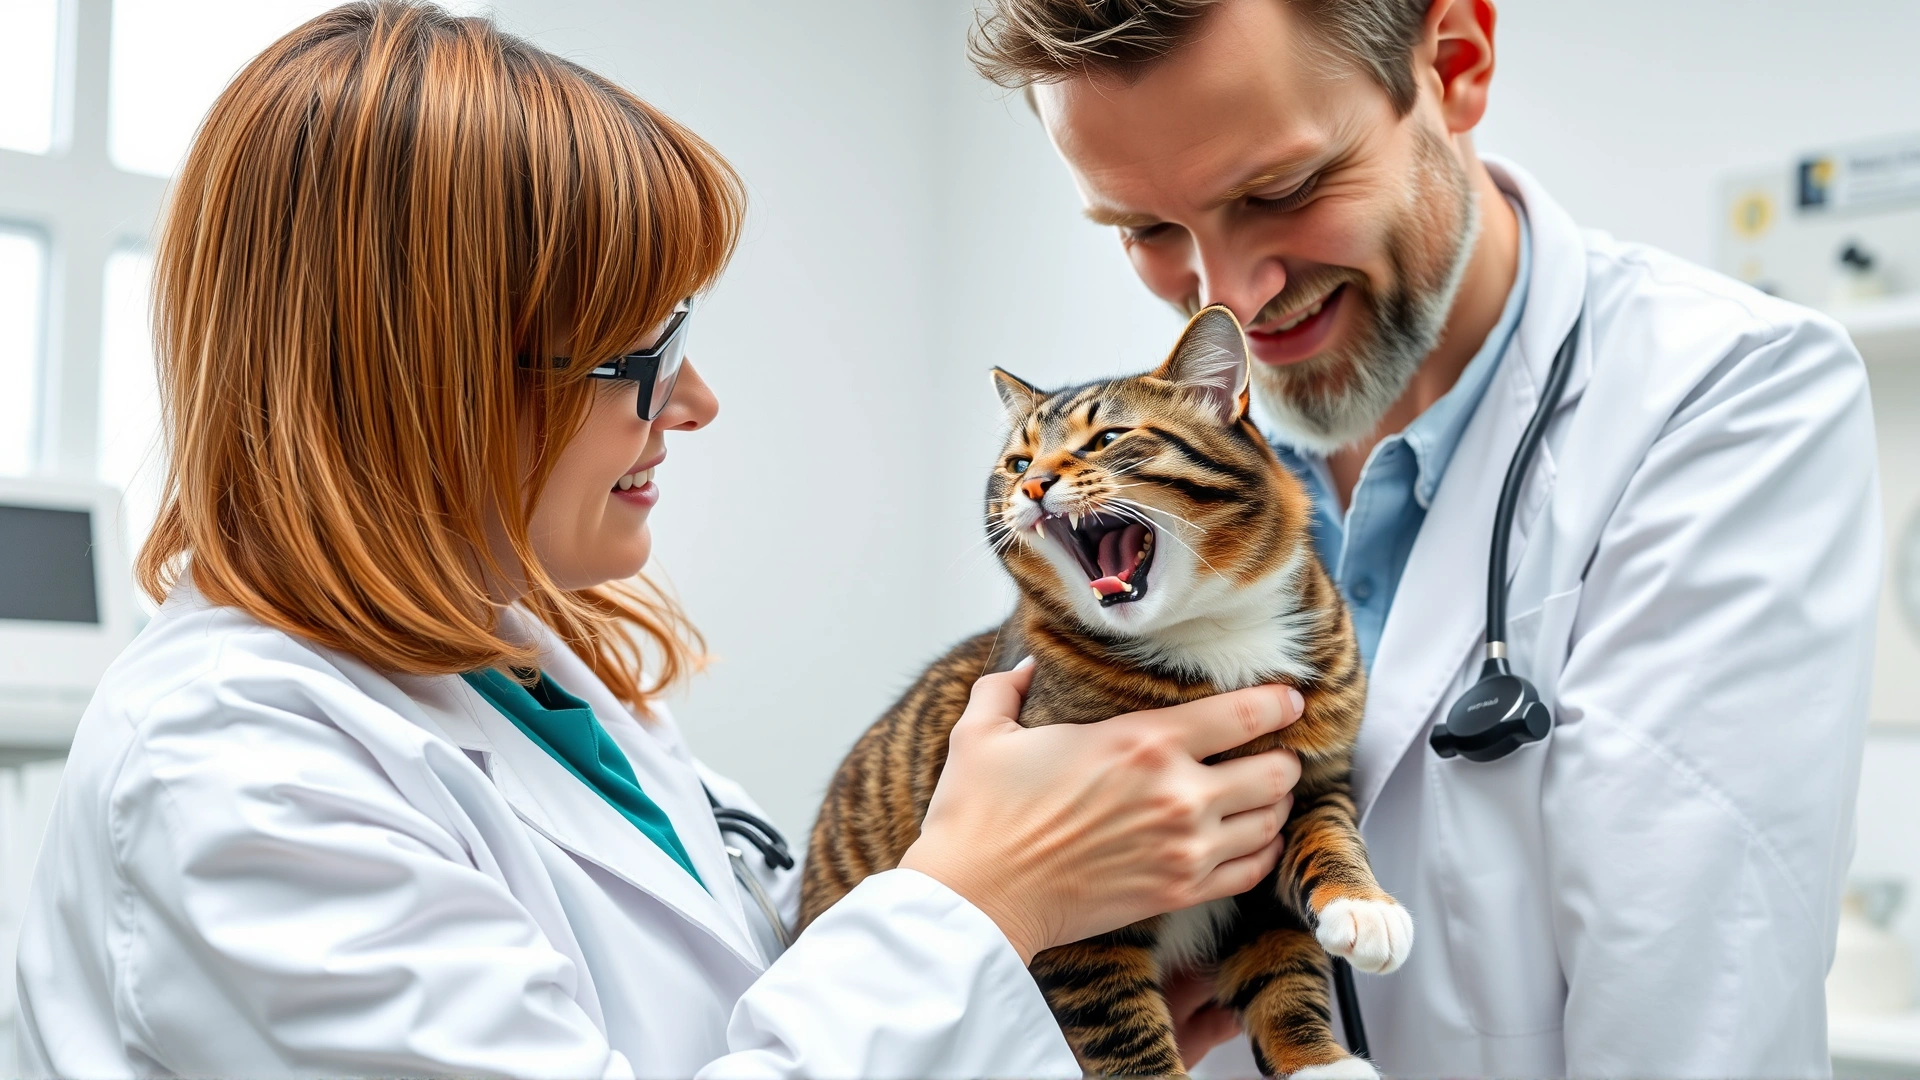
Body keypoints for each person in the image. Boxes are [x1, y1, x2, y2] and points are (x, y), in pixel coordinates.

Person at [14, 4, 1308, 1076]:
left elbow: (743, 1006)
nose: (694, 404)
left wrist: (1022, 999)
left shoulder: (527, 679)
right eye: (648, 355)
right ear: (429, 376)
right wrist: (980, 898)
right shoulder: (235, 776)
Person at [967, 0, 1880, 1075]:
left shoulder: (1728, 403)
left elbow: (1694, 1016)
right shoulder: (1173, 463)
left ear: (1455, 62)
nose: (1231, 298)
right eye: (1147, 229)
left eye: (1284, 190)